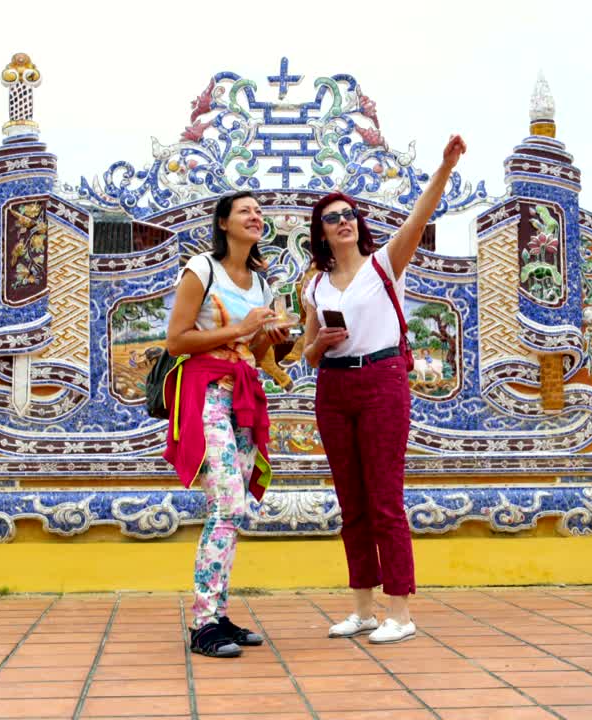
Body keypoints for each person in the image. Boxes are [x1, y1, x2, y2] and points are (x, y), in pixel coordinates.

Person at [302, 136, 467, 644]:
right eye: (333, 217)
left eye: (349, 213)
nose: (344, 220)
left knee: (385, 500)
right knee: (350, 501)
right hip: (333, 386)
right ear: (322, 233)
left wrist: (443, 168)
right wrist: (321, 342)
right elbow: (306, 354)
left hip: (381, 381)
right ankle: (364, 609)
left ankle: (400, 611)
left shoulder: (384, 265)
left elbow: (419, 217)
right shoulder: (314, 284)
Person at [163, 190, 292, 658]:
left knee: (235, 512)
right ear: (223, 223)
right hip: (205, 395)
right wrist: (241, 329)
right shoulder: (202, 269)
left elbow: (255, 355)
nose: (255, 216)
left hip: (243, 397)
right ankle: (202, 623)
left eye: (259, 212)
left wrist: (267, 338)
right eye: (245, 211)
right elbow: (176, 340)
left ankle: (217, 614)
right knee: (227, 505)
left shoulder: (262, 283)